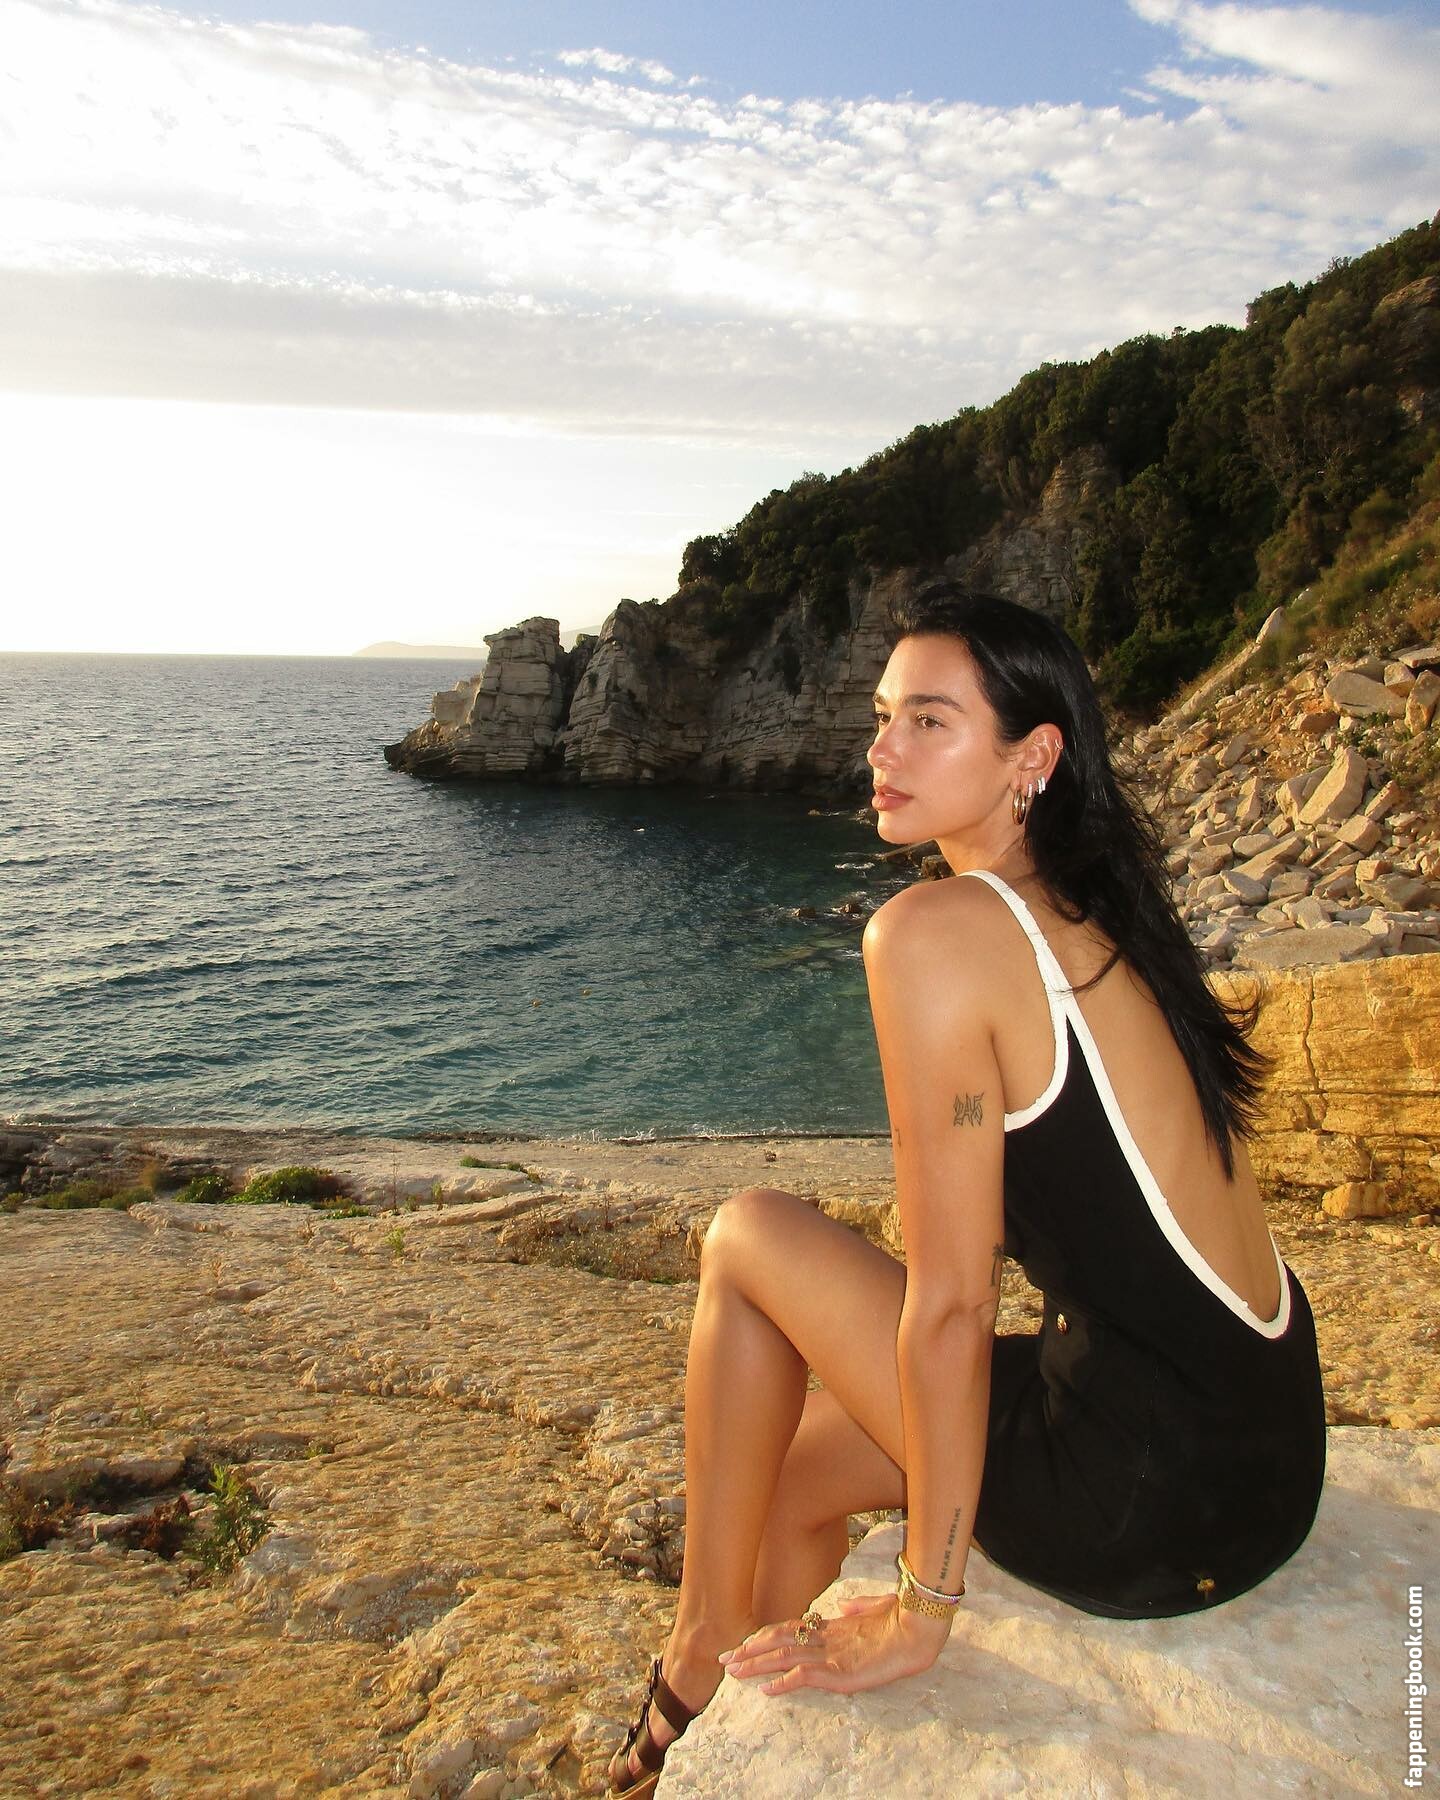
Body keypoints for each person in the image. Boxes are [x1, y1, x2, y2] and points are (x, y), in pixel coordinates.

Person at [607, 584, 1327, 1798]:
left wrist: (921, 1605)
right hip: (1261, 1452)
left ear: (1032, 757)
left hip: (1150, 1500)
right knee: (788, 1477)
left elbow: (950, 1305)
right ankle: (732, 1700)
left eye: (929, 722)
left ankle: (692, 1659)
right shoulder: (1094, 907)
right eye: (884, 717)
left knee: (745, 1236)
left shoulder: (935, 933)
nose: (881, 750)